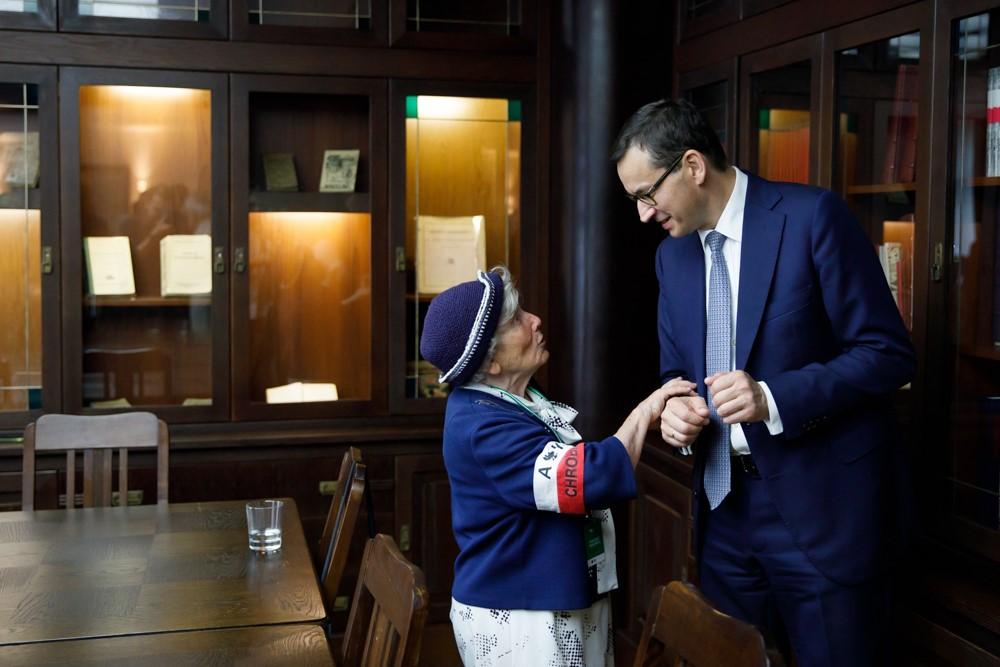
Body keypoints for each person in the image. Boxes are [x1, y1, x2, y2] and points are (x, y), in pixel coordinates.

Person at [612, 99, 915, 666]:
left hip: (822, 518)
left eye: (646, 194)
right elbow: (676, 372)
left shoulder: (812, 218)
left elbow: (888, 355)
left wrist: (772, 398)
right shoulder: (671, 259)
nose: (644, 215)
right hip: (722, 516)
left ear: (693, 166)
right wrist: (676, 412)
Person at [420, 266, 694, 666]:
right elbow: (587, 478)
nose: (534, 320)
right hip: (522, 619)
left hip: (552, 600)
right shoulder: (481, 426)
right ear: (491, 361)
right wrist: (645, 411)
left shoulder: (515, 397)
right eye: (516, 320)